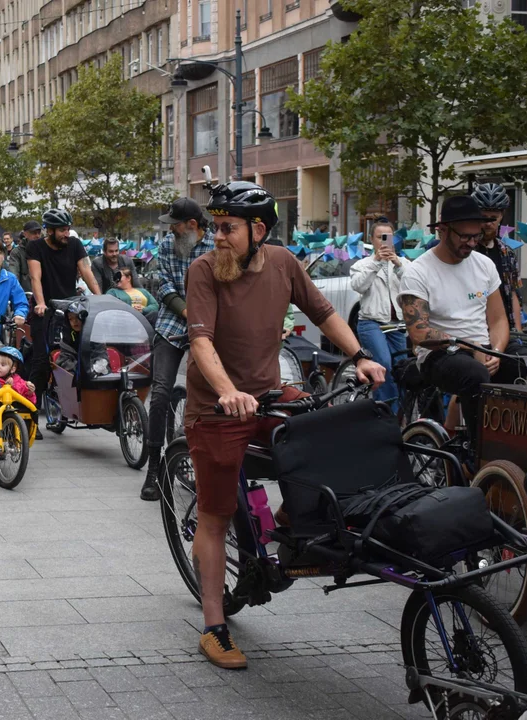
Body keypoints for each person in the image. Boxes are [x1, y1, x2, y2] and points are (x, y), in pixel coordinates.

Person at [184, 181, 385, 670]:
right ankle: (214, 625)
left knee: (324, 435)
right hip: (217, 408)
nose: (218, 237)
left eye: (227, 228)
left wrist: (359, 355)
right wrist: (227, 391)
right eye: (215, 227)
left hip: (270, 396)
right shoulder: (204, 270)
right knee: (214, 513)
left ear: (258, 230)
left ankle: (295, 532)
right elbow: (201, 342)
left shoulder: (283, 262)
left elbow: (323, 311)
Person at [398, 194, 514, 450]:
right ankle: (478, 453)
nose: (472, 243)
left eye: (476, 236)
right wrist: (470, 347)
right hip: (439, 354)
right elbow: (419, 333)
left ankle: (522, 446)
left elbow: (497, 319)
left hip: (482, 349)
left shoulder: (484, 265)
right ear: (442, 230)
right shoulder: (418, 272)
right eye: (464, 236)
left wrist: (496, 351)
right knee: (474, 374)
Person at [141, 198, 215, 501]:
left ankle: (204, 465)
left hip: (210, 322)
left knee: (213, 394)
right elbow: (166, 286)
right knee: (159, 394)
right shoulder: (169, 246)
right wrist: (187, 313)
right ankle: (154, 468)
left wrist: (202, 319)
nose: (171, 231)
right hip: (175, 320)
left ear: (193, 226)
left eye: (176, 225)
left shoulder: (216, 245)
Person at [27, 209, 101, 439]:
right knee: (41, 361)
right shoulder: (36, 247)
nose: (66, 233)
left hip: (69, 309)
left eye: (68, 228)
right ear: (49, 231)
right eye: (62, 229)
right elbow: (35, 278)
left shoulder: (75, 244)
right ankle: (30, 419)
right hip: (46, 310)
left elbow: (86, 271)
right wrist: (40, 303)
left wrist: (100, 299)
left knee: (80, 352)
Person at [349, 218, 411, 409]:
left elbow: (413, 284)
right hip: (371, 322)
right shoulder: (363, 264)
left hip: (397, 324)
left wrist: (398, 264)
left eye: (388, 237)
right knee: (383, 364)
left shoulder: (402, 262)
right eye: (380, 237)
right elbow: (358, 285)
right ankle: (385, 412)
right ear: (372, 240)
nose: (384, 241)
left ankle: (399, 412)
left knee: (402, 369)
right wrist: (376, 262)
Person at [470, 183, 524, 332]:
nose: (488, 223)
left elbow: (513, 294)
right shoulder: (465, 250)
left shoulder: (507, 253)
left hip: (502, 328)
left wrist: (518, 332)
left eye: (493, 218)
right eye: (483, 218)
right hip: (473, 328)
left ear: (501, 216)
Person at [5, 220, 41, 293]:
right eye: (34, 233)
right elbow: (14, 275)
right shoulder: (16, 252)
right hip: (25, 295)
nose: (37, 235)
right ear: (25, 234)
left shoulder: (44, 250)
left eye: (39, 233)